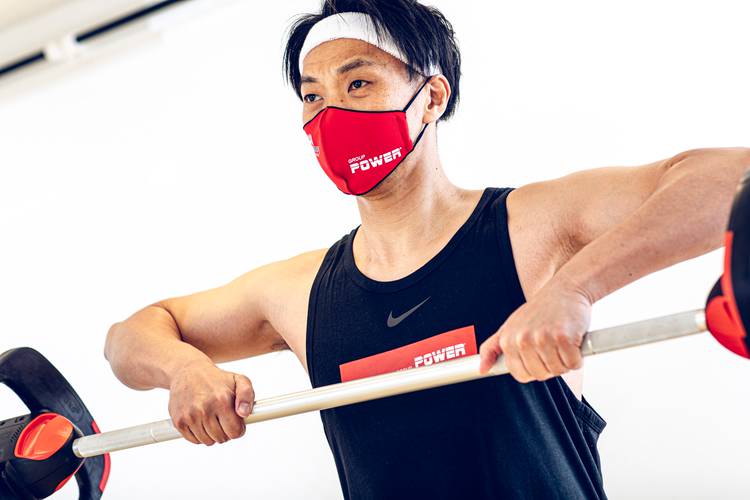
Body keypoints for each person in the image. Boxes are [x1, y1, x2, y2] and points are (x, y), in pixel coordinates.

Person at [103, 1, 750, 498]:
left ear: (431, 97)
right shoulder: (297, 294)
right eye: (312, 95)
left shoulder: (529, 225)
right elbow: (130, 336)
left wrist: (574, 289)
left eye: (358, 84)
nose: (329, 113)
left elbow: (729, 178)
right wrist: (183, 370)